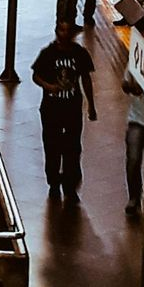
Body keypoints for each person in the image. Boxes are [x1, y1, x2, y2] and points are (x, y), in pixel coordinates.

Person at [31, 20, 96, 200]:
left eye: (67, 31)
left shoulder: (80, 54)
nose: (64, 34)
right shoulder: (48, 54)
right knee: (52, 146)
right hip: (51, 109)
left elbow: (86, 79)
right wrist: (49, 87)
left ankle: (70, 183)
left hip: (72, 108)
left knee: (72, 147)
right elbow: (36, 75)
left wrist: (91, 104)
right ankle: (53, 180)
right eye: (61, 30)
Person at [123, 65, 144, 217]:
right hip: (136, 119)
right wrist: (131, 87)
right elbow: (125, 82)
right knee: (133, 160)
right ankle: (134, 198)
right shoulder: (137, 56)